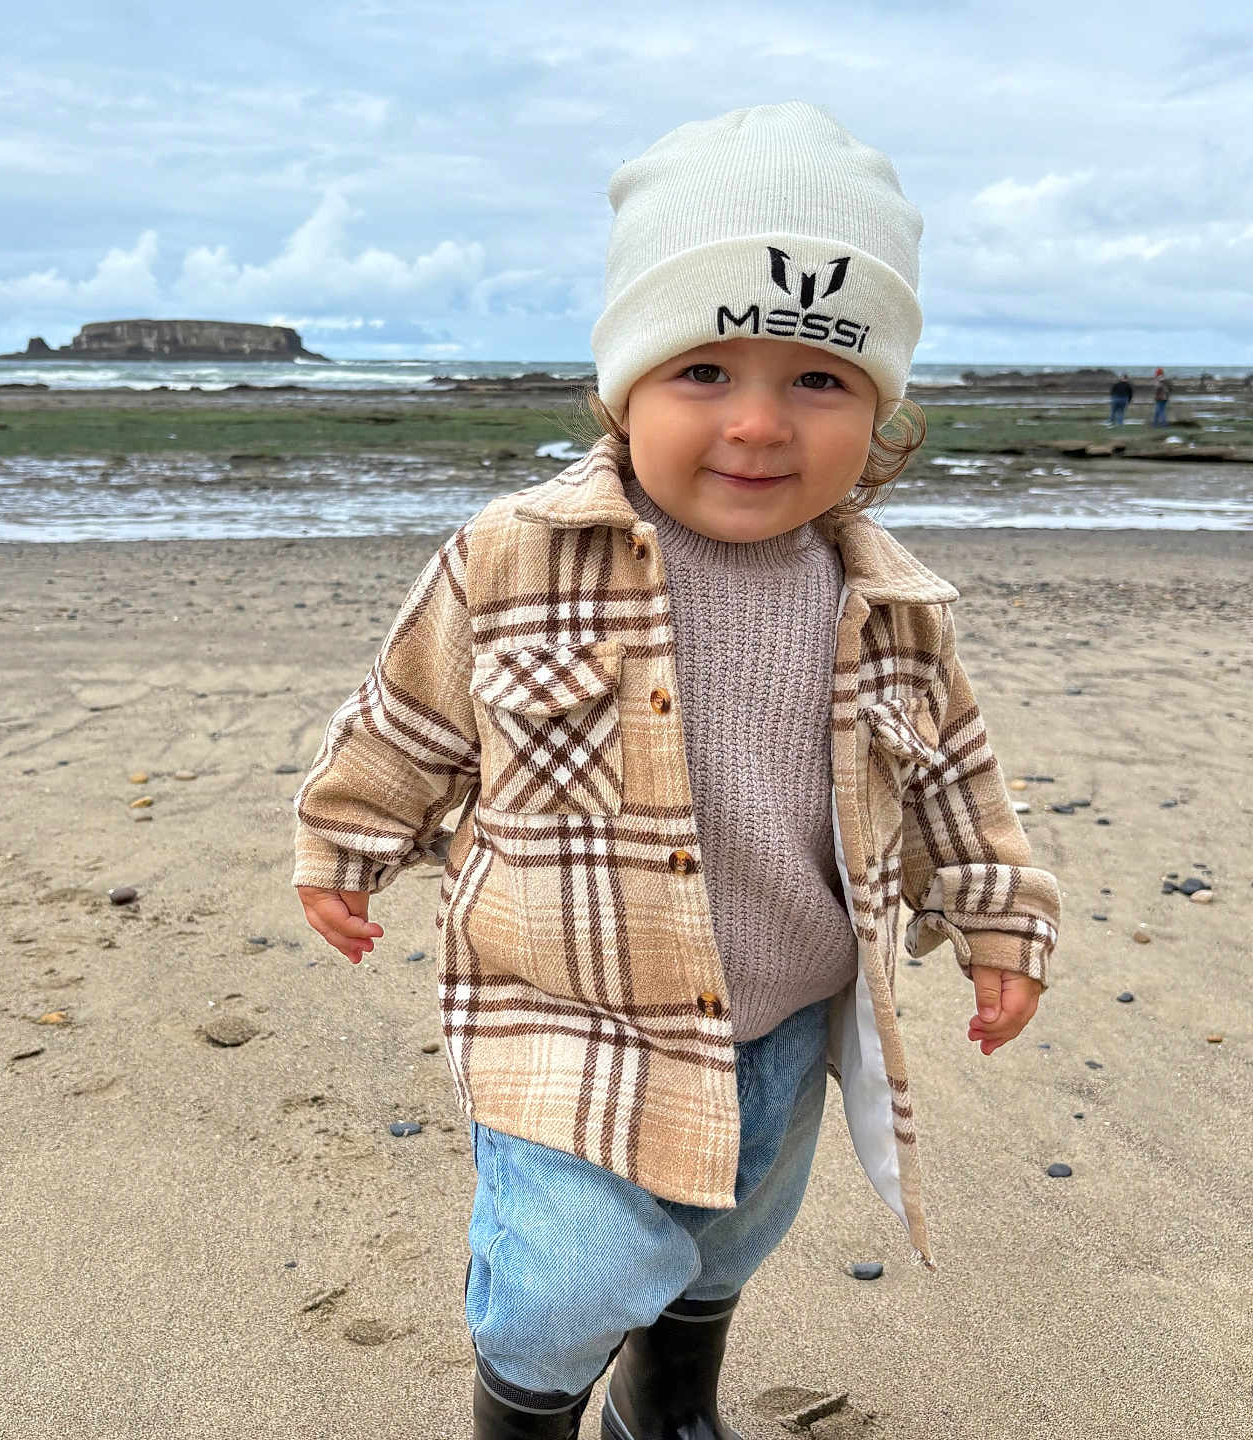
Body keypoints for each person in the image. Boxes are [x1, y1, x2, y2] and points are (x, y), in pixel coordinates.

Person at [293, 104, 1061, 1440]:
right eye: (705, 371)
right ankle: (523, 1413)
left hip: (785, 1004)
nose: (759, 424)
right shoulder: (515, 557)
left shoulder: (886, 600)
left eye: (817, 380)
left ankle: (671, 1400)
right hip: (572, 1003)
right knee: (567, 1273)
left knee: (729, 1235)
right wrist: (346, 842)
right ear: (623, 387)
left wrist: (1000, 915)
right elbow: (408, 715)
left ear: (879, 414)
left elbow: (952, 777)